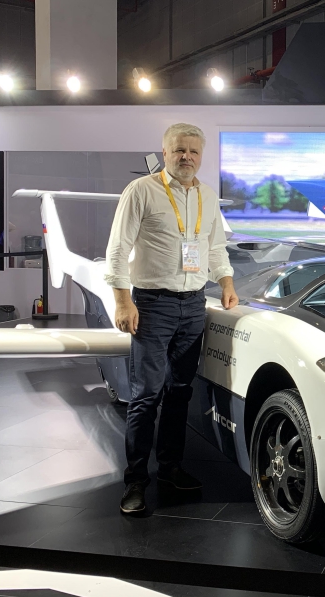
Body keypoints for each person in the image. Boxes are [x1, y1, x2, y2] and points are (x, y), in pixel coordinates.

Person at [105, 123, 238, 515]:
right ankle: (135, 482)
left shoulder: (207, 196)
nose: (187, 157)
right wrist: (122, 301)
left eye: (193, 152)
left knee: (180, 392)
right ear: (165, 152)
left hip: (194, 305)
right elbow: (118, 249)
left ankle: (170, 468)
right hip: (153, 305)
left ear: (201, 156)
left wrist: (227, 283)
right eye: (179, 150)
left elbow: (215, 247)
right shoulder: (141, 191)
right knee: (145, 395)